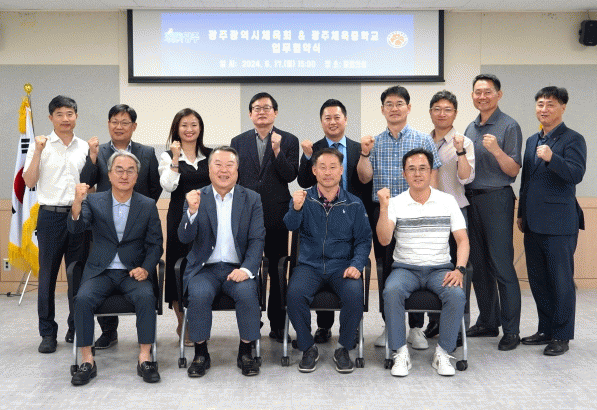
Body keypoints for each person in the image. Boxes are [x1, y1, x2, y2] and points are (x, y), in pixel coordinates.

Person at [68, 151, 163, 386]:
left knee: (146, 297)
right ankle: (87, 360)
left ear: (137, 176)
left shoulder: (147, 205)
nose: (124, 175)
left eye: (130, 170)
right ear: (109, 174)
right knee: (82, 299)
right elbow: (76, 229)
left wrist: (146, 269)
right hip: (101, 271)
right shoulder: (94, 201)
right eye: (119, 170)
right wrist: (77, 201)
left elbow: (155, 244)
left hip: (133, 272)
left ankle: (145, 358)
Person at [357, 85, 441, 350]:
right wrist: (364, 153)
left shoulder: (423, 140)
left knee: (416, 265)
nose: (394, 109)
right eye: (389, 104)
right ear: (383, 110)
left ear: (409, 107)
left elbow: (433, 178)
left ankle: (416, 327)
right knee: (386, 267)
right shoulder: (374, 142)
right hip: (382, 212)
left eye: (399, 104)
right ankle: (390, 325)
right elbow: (364, 178)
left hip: (416, 212)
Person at [377, 148, 469, 377]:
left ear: (431, 172)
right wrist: (384, 207)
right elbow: (384, 239)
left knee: (456, 295)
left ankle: (443, 352)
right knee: (391, 291)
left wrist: (459, 269)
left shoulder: (447, 201)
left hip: (440, 269)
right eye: (411, 169)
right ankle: (400, 352)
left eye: (422, 168)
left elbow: (462, 240)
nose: (417, 174)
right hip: (405, 269)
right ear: (404, 174)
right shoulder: (396, 202)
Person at [79, 104, 162, 350]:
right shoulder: (100, 152)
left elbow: (155, 185)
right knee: (98, 282)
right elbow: (86, 182)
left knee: (141, 290)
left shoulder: (146, 152)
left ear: (133, 126)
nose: (119, 126)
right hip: (104, 225)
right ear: (108, 124)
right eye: (114, 121)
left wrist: (141, 210)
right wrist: (92, 158)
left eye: (125, 122)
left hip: (137, 224)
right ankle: (108, 331)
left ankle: (145, 347)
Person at [178, 146, 265, 378]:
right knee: (198, 294)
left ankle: (246, 352)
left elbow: (257, 240)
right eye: (218, 165)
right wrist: (191, 212)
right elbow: (184, 237)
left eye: (229, 165)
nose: (223, 170)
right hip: (204, 269)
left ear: (237, 170)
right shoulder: (197, 196)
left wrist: (246, 269)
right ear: (209, 169)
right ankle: (200, 354)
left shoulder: (252, 198)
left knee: (247, 294)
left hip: (238, 268)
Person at [285, 148, 372, 373]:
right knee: (294, 295)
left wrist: (357, 265)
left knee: (354, 294)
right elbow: (290, 225)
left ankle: (343, 348)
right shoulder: (304, 199)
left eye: (333, 167)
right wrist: (296, 208)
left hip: (342, 266)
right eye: (322, 167)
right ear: (314, 171)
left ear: (341, 170)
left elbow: (364, 240)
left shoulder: (354, 204)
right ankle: (307, 347)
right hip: (309, 265)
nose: (327, 172)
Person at [296, 98, 372, 345]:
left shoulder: (358, 147)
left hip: (350, 214)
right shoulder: (314, 148)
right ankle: (324, 325)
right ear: (321, 122)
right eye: (327, 118)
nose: (332, 122)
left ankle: (350, 331)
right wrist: (307, 157)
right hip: (320, 213)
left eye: (337, 117)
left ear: (345, 120)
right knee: (322, 259)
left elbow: (365, 181)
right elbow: (304, 181)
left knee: (345, 269)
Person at [517, 86, 587, 356]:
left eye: (550, 104)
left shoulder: (573, 139)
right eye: (540, 104)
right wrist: (521, 213)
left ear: (563, 107)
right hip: (533, 223)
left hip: (559, 224)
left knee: (561, 282)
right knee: (538, 281)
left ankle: (561, 335)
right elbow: (526, 181)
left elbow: (576, 174)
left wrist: (552, 158)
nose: (544, 109)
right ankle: (545, 329)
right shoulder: (532, 140)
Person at [22, 95, 89, 354]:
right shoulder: (40, 145)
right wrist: (38, 151)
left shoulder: (84, 147)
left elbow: (92, 184)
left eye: (69, 113)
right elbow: (29, 181)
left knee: (77, 275)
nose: (65, 119)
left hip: (78, 215)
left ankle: (75, 327)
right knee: (48, 276)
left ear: (76, 117)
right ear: (51, 118)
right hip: (49, 216)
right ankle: (48, 333)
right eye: (59, 114)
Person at [230, 92, 299, 343]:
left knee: (278, 270)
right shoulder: (238, 142)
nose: (262, 112)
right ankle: (252, 323)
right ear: (250, 114)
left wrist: (277, 150)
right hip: (246, 213)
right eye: (257, 108)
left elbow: (290, 175)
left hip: (276, 214)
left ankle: (278, 325)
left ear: (275, 113)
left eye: (267, 108)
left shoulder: (289, 140)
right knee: (249, 268)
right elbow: (234, 176)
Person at [464, 74, 523, 351]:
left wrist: (497, 150)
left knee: (501, 265)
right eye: (478, 92)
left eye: (488, 91)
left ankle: (511, 330)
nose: (482, 96)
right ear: (472, 96)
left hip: (497, 198)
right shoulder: (470, 127)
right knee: (478, 265)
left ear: (498, 94)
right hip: (471, 199)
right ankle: (488, 321)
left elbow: (513, 170)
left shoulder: (509, 125)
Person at [424, 90, 475, 339]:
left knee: (458, 267)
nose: (442, 114)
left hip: (455, 210)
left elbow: (466, 178)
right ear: (430, 112)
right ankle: (435, 321)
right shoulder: (423, 141)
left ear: (455, 113)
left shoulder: (463, 142)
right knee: (432, 267)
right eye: (437, 109)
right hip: (428, 214)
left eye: (447, 110)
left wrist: (460, 151)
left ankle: (458, 326)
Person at [159, 108, 212, 346]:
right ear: (176, 129)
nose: (189, 129)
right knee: (178, 267)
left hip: (206, 218)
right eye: (184, 125)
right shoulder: (167, 156)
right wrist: (175, 158)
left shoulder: (210, 155)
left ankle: (199, 320)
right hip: (179, 217)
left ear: (200, 128)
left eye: (193, 125)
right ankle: (182, 322)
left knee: (203, 267)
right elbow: (168, 186)